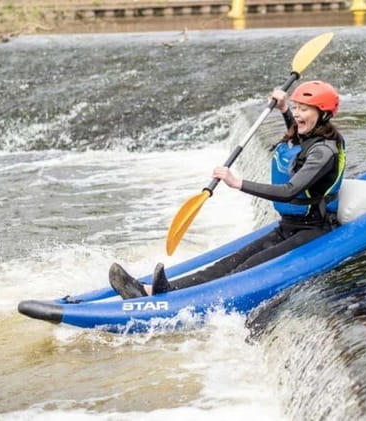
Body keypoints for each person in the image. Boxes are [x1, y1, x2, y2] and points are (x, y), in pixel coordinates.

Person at [109, 80, 346, 299]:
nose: (297, 113)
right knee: (227, 263)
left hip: (314, 230)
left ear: (323, 114)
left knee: (244, 269)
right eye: (296, 107)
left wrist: (237, 183)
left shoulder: (324, 153)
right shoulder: (310, 135)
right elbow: (298, 137)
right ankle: (158, 290)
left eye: (304, 109)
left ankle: (177, 300)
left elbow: (289, 191)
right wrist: (283, 109)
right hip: (289, 226)